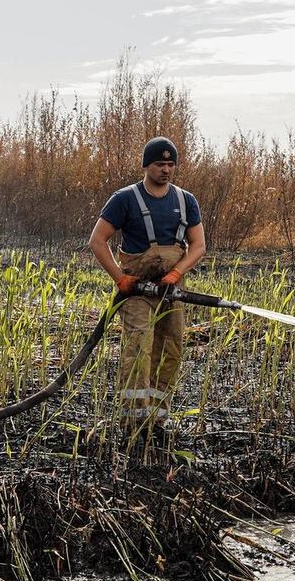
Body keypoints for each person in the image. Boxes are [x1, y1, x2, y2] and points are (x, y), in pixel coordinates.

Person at [88, 136, 207, 436]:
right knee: (139, 350)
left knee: (171, 350)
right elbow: (97, 241)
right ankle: (132, 423)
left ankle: (157, 419)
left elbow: (198, 246)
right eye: (159, 164)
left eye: (170, 164)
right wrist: (120, 278)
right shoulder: (124, 199)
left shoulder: (185, 200)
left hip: (171, 290)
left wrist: (176, 274)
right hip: (137, 291)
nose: (166, 170)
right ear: (146, 166)